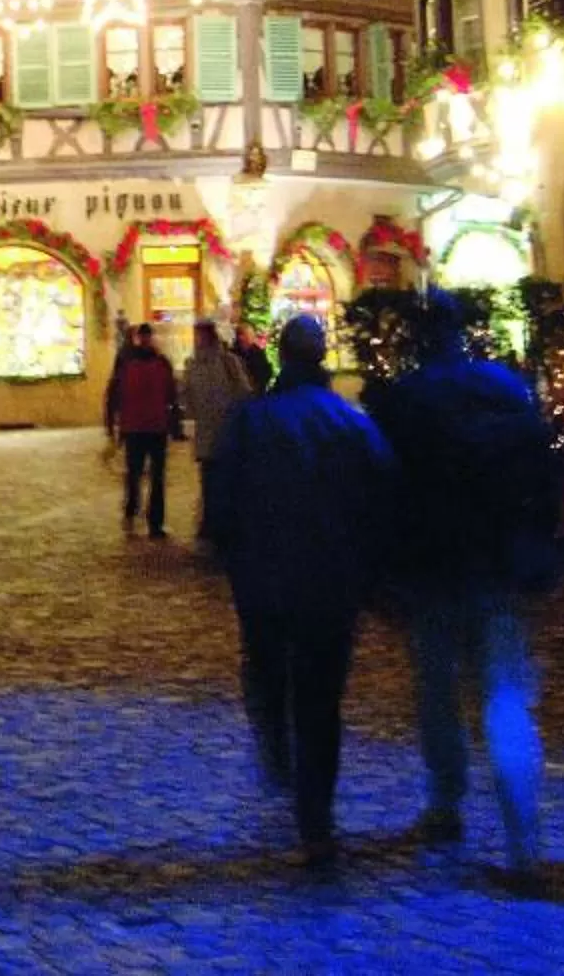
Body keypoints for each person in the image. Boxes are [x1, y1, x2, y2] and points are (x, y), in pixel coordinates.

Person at [366, 289, 558, 871]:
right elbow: (543, 472)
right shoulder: (504, 389)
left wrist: (384, 571)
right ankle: (523, 837)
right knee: (505, 697)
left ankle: (445, 802)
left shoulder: (403, 400)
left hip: (431, 567)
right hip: (499, 563)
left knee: (438, 694)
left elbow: (383, 491)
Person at [205, 315, 395, 867]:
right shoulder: (350, 423)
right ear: (322, 357)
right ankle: (316, 818)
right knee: (320, 698)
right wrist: (371, 574)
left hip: (263, 580)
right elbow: (381, 499)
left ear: (282, 357)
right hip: (330, 584)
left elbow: (221, 500)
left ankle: (277, 749)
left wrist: (231, 556)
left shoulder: (251, 420)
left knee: (267, 668)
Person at [102, 322, 181, 539]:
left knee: (145, 474)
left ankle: (146, 518)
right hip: (144, 427)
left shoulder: (139, 362)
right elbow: (114, 394)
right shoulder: (143, 363)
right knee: (142, 474)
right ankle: (142, 515)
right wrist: (112, 425)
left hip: (146, 426)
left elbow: (171, 396)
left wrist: (112, 425)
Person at [181, 320, 253, 538]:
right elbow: (187, 397)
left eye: (201, 335)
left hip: (227, 432)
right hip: (206, 433)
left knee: (226, 480)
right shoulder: (192, 364)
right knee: (209, 481)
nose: (198, 340)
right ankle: (211, 522)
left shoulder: (228, 362)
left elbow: (244, 392)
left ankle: (225, 523)